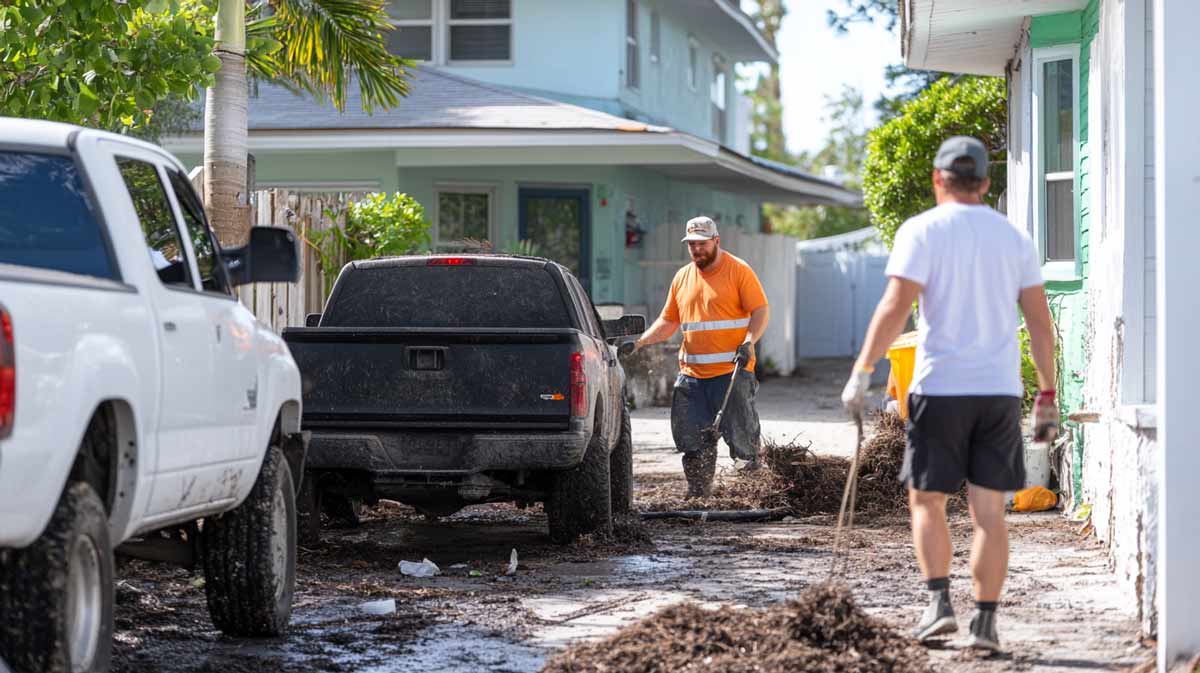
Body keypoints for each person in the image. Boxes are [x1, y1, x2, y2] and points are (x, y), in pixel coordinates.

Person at [841, 136, 1059, 652]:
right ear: (985, 183)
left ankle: (939, 605)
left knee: (927, 501)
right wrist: (1046, 391)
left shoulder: (922, 231)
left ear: (938, 179)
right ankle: (984, 624)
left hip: (940, 390)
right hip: (998, 392)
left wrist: (862, 370)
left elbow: (895, 306)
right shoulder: (1014, 238)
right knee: (990, 514)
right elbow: (1040, 324)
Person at [633, 216, 770, 496]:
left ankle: (754, 495)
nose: (697, 250)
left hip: (732, 374)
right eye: (692, 245)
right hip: (692, 378)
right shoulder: (682, 278)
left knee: (743, 441)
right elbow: (668, 321)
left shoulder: (738, 271)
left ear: (716, 241)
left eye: (702, 244)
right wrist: (639, 343)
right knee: (692, 441)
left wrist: (749, 341)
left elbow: (760, 311)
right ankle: (699, 495)